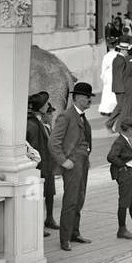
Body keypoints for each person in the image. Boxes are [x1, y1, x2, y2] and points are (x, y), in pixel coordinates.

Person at [49, 82, 95, 251]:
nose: (90, 100)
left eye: (90, 97)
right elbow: (53, 142)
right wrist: (63, 160)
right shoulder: (66, 116)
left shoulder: (81, 116)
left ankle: (74, 233)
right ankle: (65, 238)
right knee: (70, 200)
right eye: (87, 97)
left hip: (82, 162)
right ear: (77, 98)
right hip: (73, 163)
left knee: (80, 198)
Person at [25, 91, 57, 232]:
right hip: (39, 166)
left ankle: (49, 218)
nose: (48, 106)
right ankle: (38, 225)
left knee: (49, 192)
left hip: (46, 163)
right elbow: (34, 147)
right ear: (41, 107)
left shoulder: (38, 121)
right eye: (46, 104)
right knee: (38, 196)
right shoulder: (32, 124)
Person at [98, 40, 120, 117]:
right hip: (116, 75)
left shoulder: (106, 56)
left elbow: (103, 68)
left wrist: (103, 77)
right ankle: (114, 108)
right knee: (114, 94)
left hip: (108, 76)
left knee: (107, 93)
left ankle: (106, 109)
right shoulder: (118, 55)